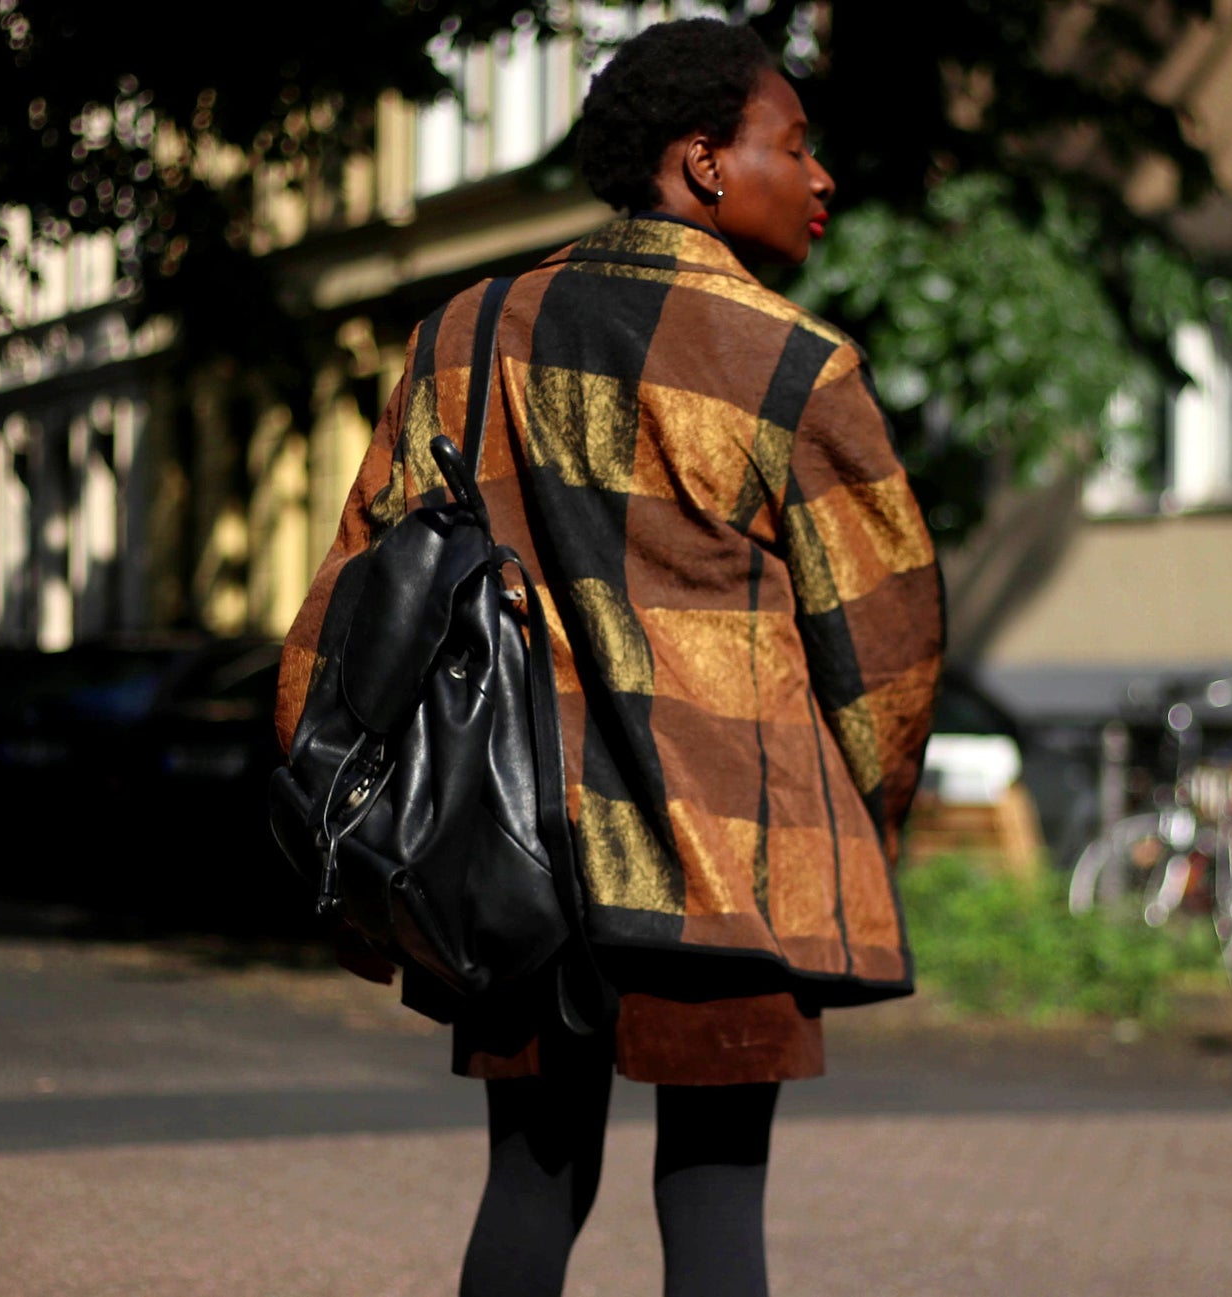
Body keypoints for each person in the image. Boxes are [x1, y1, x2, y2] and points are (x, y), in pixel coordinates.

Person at [275, 17, 943, 1296]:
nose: (821, 178)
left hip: (505, 857)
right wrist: (861, 827)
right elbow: (887, 646)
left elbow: (350, 601)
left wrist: (338, 815)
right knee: (713, 1207)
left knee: (527, 1185)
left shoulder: (461, 337)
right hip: (731, 865)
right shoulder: (788, 363)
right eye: (790, 146)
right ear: (700, 162)